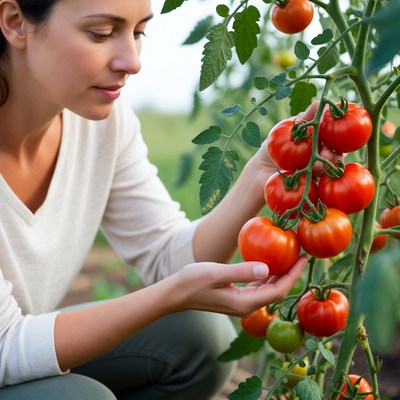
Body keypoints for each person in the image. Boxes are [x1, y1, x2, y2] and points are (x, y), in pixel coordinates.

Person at [0, 0, 309, 399]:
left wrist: (258, 178)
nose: (132, 61)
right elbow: (6, 347)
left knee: (202, 337)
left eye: (138, 32)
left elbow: (167, 256)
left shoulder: (102, 124)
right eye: (101, 33)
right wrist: (170, 295)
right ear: (14, 22)